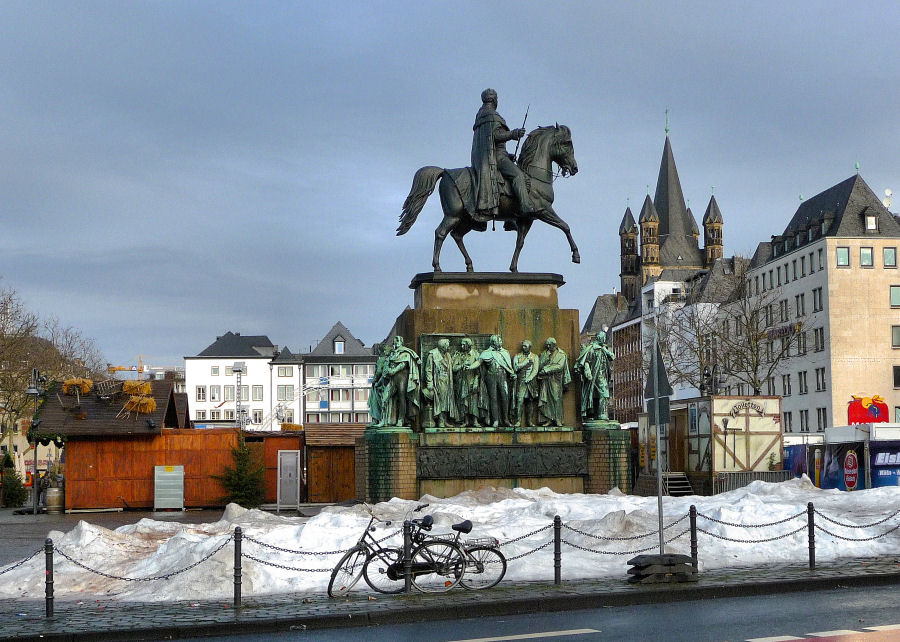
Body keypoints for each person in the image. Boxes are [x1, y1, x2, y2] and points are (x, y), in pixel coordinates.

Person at [471, 88, 539, 219]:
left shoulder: (481, 115)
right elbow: (495, 136)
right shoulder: (491, 115)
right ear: (494, 100)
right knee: (519, 175)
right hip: (497, 158)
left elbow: (490, 141)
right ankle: (525, 206)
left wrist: (508, 156)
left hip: (495, 155)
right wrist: (513, 134)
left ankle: (510, 219)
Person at [573, 330, 615, 421]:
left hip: (602, 376)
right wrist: (588, 374)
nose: (604, 340)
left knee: (598, 396)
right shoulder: (591, 348)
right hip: (596, 376)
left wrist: (603, 348)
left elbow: (612, 356)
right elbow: (585, 362)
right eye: (603, 337)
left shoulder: (602, 349)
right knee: (604, 394)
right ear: (600, 338)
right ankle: (601, 414)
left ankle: (597, 414)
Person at [475, 334, 514, 427]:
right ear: (493, 342)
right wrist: (469, 367)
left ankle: (506, 419)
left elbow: (509, 366)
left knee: (505, 397)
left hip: (502, 376)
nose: (501, 342)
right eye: (499, 341)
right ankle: (495, 420)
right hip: (491, 376)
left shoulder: (505, 352)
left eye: (501, 341)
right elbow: (478, 362)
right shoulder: (486, 352)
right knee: (493, 398)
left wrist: (512, 373)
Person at [384, 336, 420, 427]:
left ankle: (401, 419)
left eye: (397, 340)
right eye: (394, 341)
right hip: (393, 378)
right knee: (386, 397)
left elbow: (403, 364)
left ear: (401, 342)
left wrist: (394, 370)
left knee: (402, 397)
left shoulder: (406, 352)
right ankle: (386, 419)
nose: (395, 342)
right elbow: (388, 363)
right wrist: (388, 370)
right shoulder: (392, 353)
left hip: (402, 377)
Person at [423, 338, 458, 428]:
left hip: (447, 381)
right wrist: (429, 383)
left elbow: (451, 367)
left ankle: (445, 420)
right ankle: (441, 421)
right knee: (441, 401)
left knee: (447, 401)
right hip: (438, 381)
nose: (449, 347)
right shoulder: (433, 354)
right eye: (447, 345)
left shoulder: (448, 355)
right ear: (443, 346)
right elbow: (428, 369)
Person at [537, 337, 570, 427]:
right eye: (547, 345)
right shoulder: (544, 354)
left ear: (554, 345)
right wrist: (545, 359)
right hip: (545, 380)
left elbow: (560, 366)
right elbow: (539, 365)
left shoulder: (561, 354)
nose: (548, 346)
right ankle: (549, 419)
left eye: (549, 345)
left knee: (556, 399)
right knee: (545, 399)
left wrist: (547, 369)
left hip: (556, 380)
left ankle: (558, 419)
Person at [453, 337, 484, 427]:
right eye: (461, 344)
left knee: (474, 401)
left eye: (464, 344)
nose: (462, 346)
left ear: (469, 345)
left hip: (472, 379)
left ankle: (475, 420)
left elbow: (479, 369)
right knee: (464, 401)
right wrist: (461, 366)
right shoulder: (459, 355)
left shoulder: (476, 354)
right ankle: (465, 421)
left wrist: (476, 381)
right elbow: (454, 368)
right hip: (462, 381)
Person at [511, 339, 540, 426]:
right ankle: (518, 421)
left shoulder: (535, 357)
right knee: (520, 401)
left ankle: (529, 421)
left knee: (530, 401)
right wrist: (525, 362)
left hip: (531, 382)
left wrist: (530, 378)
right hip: (521, 382)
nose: (523, 348)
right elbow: (515, 368)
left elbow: (535, 369)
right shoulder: (517, 356)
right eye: (523, 346)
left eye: (525, 346)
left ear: (529, 347)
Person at [368, 342, 390, 427]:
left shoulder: (381, 360)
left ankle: (376, 419)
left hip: (379, 385)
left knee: (375, 402)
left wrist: (374, 381)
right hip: (384, 383)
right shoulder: (388, 359)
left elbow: (379, 372)